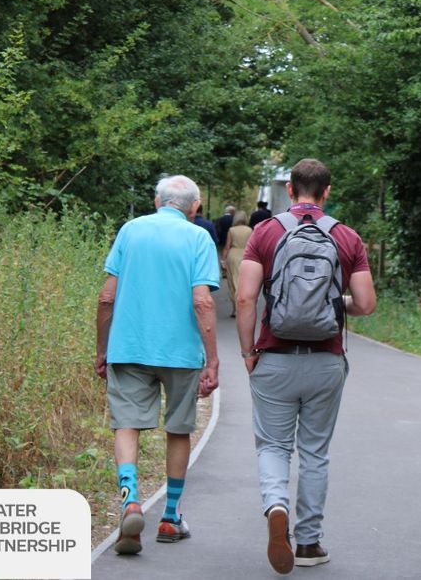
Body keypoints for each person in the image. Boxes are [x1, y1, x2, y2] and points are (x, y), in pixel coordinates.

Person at [235, 158, 376, 574]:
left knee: (273, 446)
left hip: (274, 358)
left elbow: (245, 299)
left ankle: (275, 505)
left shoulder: (266, 232)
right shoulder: (347, 237)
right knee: (315, 452)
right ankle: (310, 543)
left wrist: (248, 353)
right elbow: (365, 304)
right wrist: (334, 304)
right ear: (327, 191)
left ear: (291, 189)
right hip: (325, 361)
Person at [94, 175, 221, 556]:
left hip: (129, 347)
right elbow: (202, 302)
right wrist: (212, 359)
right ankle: (170, 517)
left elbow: (106, 297)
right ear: (195, 208)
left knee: (126, 423)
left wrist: (103, 348)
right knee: (178, 429)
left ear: (156, 201)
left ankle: (129, 500)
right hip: (180, 353)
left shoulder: (130, 231)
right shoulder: (199, 238)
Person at [221, 210, 252, 318]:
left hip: (233, 255)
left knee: (232, 281)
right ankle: (242, 306)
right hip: (245, 255)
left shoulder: (232, 230)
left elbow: (227, 246)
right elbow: (251, 245)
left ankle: (235, 308)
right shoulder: (249, 230)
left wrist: (223, 260)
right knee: (244, 281)